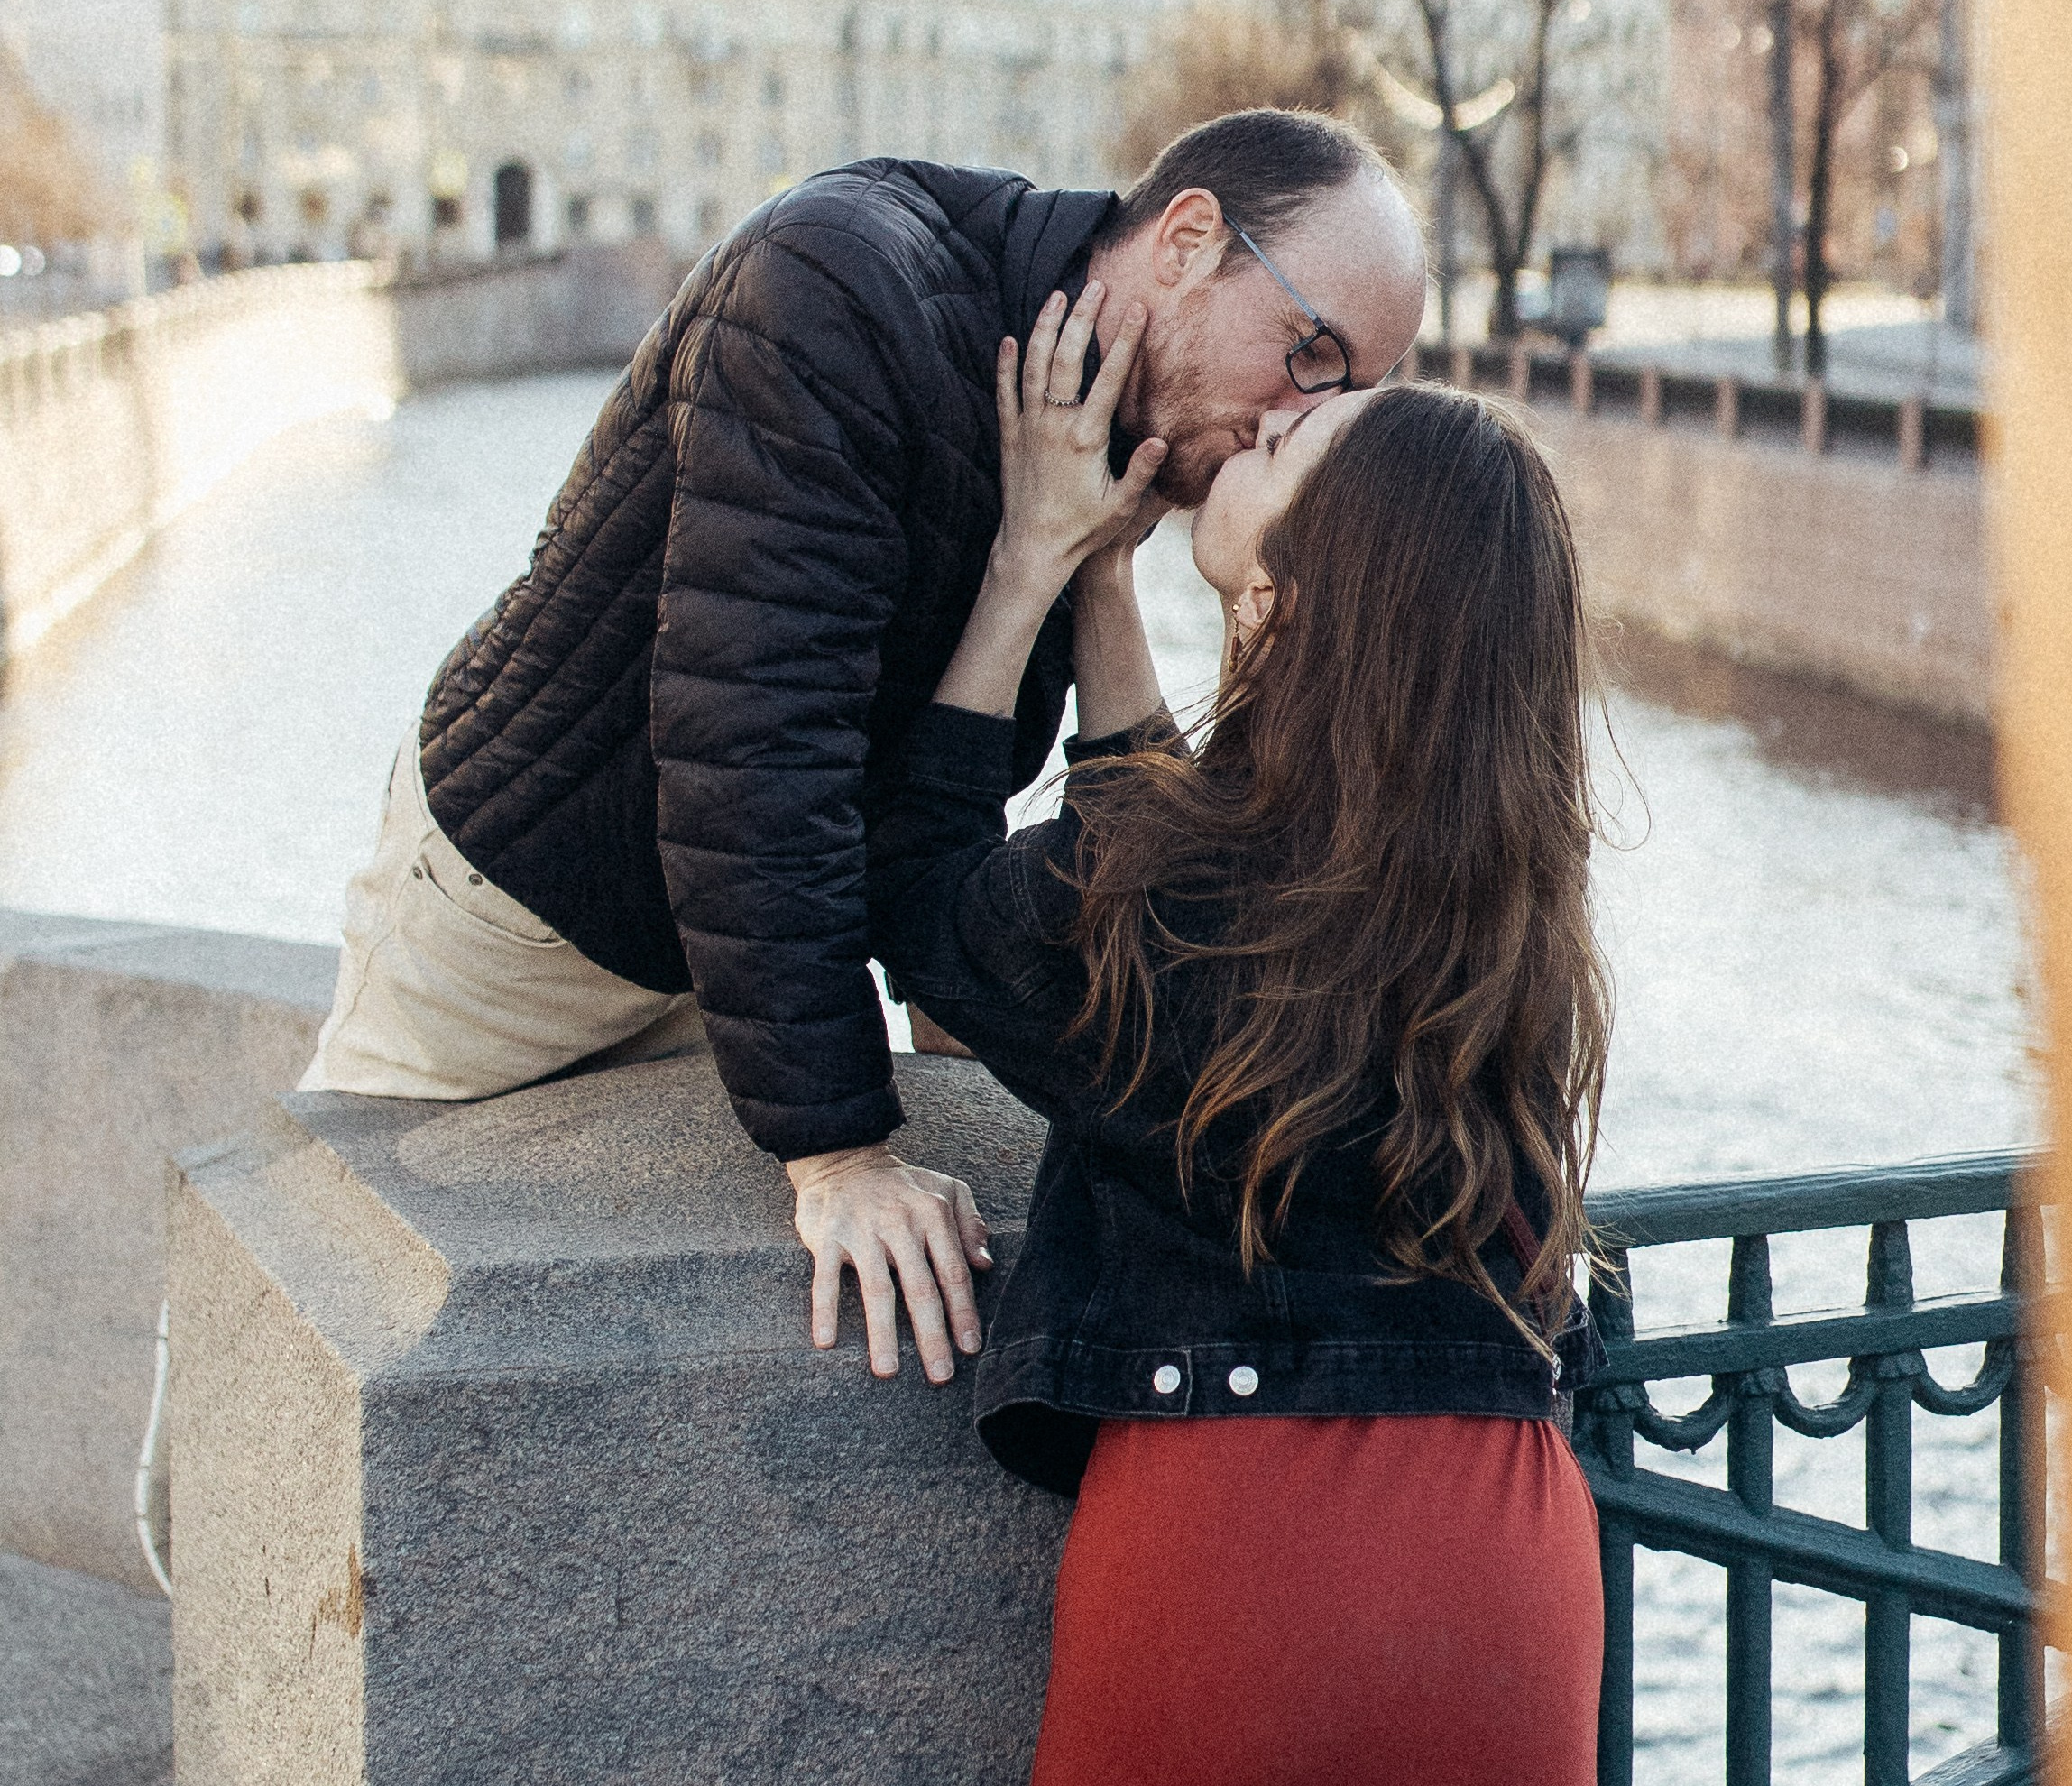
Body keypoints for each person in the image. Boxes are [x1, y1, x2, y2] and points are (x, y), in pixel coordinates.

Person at [299, 108, 1430, 1374]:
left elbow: (1043, 844)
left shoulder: (1093, 424)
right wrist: (839, 1150)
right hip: (518, 907)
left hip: (738, 945)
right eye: (1311, 350)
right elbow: (753, 745)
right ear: (1187, 237)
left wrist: (958, 994)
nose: (1308, 419)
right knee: (313, 1292)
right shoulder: (840, 286)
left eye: (1355, 388)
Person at [868, 291, 1612, 1786]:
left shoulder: (1193, 897)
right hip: (1505, 1565)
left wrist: (1020, 568)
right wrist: (1107, 585)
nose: (1272, 417)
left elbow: (934, 905)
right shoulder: (1498, 907)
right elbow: (1165, 873)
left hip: (1240, 1561)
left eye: (1303, 436)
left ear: (1319, 575)